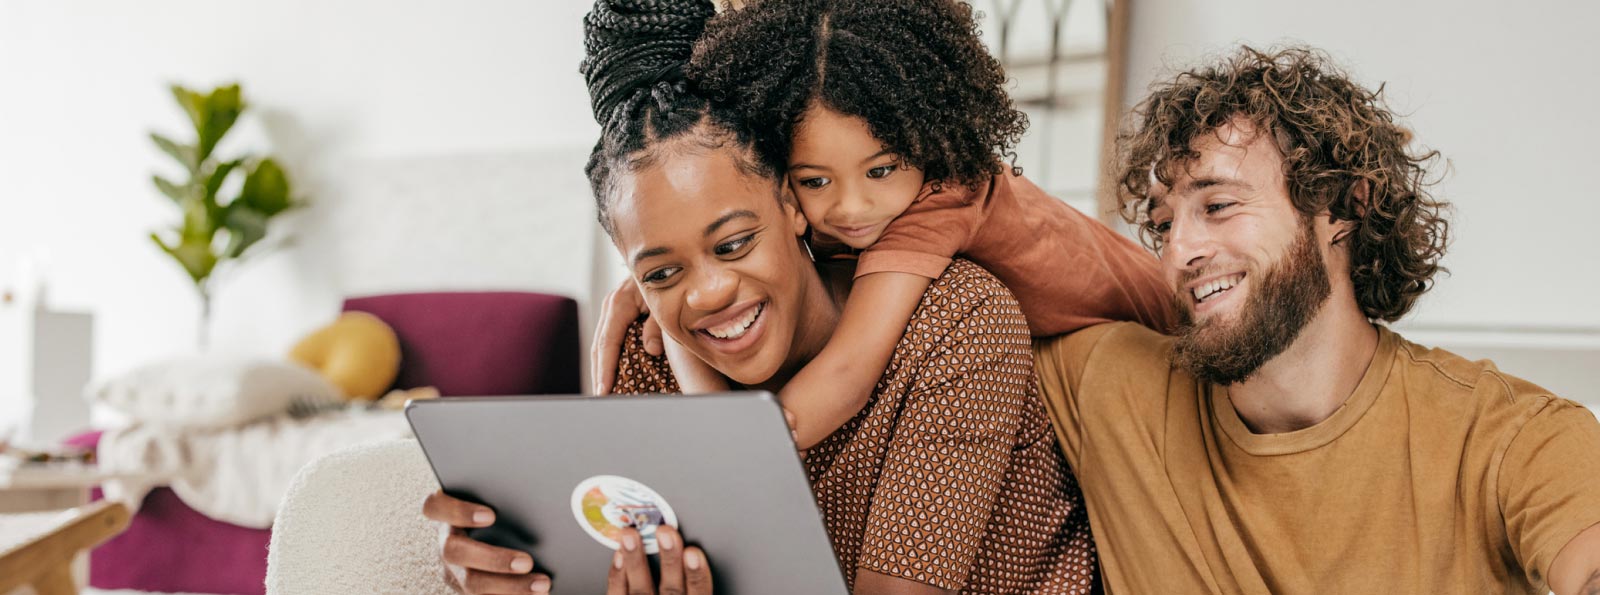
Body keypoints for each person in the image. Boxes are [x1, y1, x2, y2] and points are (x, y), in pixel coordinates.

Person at [423, 0, 1098, 593]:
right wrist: (529, 573)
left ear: (790, 202)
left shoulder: (955, 319)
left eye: (735, 242)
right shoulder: (653, 349)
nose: (710, 292)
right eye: (659, 272)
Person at [1030, 45, 1600, 594]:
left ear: (1345, 209)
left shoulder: (1509, 438)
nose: (1178, 253)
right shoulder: (1109, 384)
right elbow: (963, 216)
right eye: (1162, 226)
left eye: (1218, 206)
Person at [591, 0, 1174, 451]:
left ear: (927, 137)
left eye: (883, 169)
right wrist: (655, 289)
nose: (851, 209)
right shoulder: (850, 201)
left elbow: (846, 375)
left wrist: (725, 455)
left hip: (1168, 326)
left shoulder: (936, 202)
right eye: (813, 181)